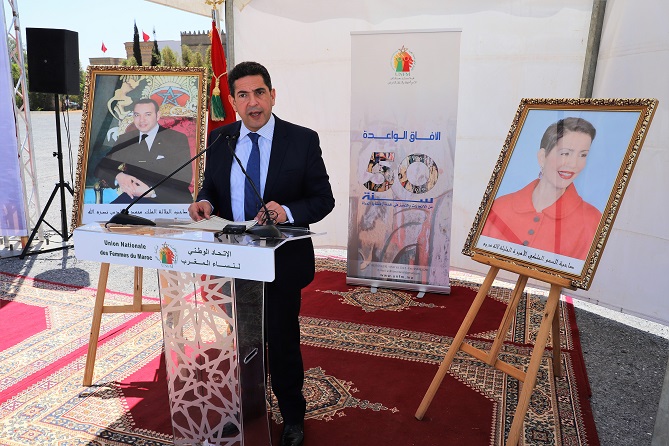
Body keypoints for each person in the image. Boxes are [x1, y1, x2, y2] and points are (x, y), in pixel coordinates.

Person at [188, 61, 335, 446]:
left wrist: (286, 211)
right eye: (243, 95)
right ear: (233, 100)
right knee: (241, 344)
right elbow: (211, 188)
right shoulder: (220, 139)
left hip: (279, 263)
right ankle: (246, 412)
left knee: (281, 342)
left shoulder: (301, 140)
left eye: (259, 93)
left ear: (272, 95)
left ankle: (293, 418)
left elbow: (323, 199)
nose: (252, 102)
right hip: (231, 262)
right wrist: (205, 202)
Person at [481, 117, 601, 260]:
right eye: (565, 153)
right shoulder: (500, 207)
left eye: (583, 155)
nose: (573, 164)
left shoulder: (591, 220)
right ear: (542, 157)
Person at [95, 98, 193, 204]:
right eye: (137, 115)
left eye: (147, 114)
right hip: (133, 198)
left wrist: (152, 192)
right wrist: (119, 176)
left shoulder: (176, 138)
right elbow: (101, 167)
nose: (142, 120)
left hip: (169, 199)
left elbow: (184, 177)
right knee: (109, 214)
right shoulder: (126, 139)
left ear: (158, 115)